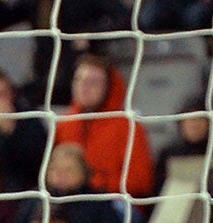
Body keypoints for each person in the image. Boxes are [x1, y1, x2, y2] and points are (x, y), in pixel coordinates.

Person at [53, 56, 154, 200]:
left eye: (93, 82)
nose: (83, 86)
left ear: (109, 88)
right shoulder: (64, 124)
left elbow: (140, 182)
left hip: (115, 204)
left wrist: (91, 185)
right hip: (69, 202)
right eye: (78, 80)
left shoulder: (128, 127)